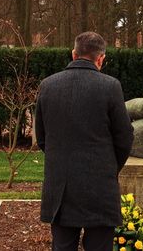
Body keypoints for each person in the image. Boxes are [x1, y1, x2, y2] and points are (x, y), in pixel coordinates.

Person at [35, 31, 134, 251]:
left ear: (73, 54)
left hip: (60, 186)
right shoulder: (111, 87)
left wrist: (63, 161)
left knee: (62, 247)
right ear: (101, 59)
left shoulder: (47, 85)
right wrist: (109, 166)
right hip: (99, 186)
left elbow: (42, 138)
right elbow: (124, 138)